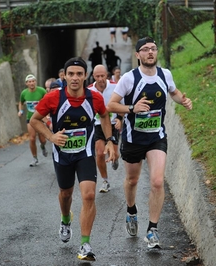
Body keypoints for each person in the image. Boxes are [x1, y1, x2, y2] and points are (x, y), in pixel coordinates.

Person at [107, 37, 193, 249]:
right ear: (138, 55)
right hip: (133, 139)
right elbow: (111, 105)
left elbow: (173, 91)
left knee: (156, 181)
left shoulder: (165, 74)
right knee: (132, 180)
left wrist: (182, 100)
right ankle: (131, 211)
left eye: (153, 49)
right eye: (145, 50)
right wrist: (131, 108)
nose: (150, 52)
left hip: (156, 136)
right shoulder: (129, 78)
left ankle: (152, 230)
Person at [30, 57, 116, 261]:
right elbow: (35, 120)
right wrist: (51, 137)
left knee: (88, 195)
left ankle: (85, 245)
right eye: (71, 74)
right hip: (62, 155)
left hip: (85, 153)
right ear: (65, 76)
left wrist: (110, 140)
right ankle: (65, 219)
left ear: (85, 76)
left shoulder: (94, 98)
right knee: (66, 193)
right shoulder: (53, 98)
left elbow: (104, 116)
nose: (75, 78)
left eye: (79, 74)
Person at [88, 65, 121, 193]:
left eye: (103, 76)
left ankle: (116, 158)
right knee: (100, 152)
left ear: (107, 75)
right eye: (97, 76)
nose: (100, 79)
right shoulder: (89, 90)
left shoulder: (115, 86)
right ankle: (105, 181)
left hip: (112, 124)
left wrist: (119, 118)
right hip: (97, 124)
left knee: (115, 153)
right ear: (93, 76)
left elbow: (122, 104)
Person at [18, 74, 48, 167]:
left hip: (40, 118)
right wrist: (20, 110)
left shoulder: (42, 91)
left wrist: (47, 114)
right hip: (30, 119)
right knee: (32, 138)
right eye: (29, 82)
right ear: (26, 83)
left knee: (42, 139)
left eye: (33, 81)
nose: (31, 83)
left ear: (35, 82)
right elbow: (21, 102)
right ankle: (35, 158)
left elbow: (48, 101)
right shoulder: (24, 93)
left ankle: (42, 146)